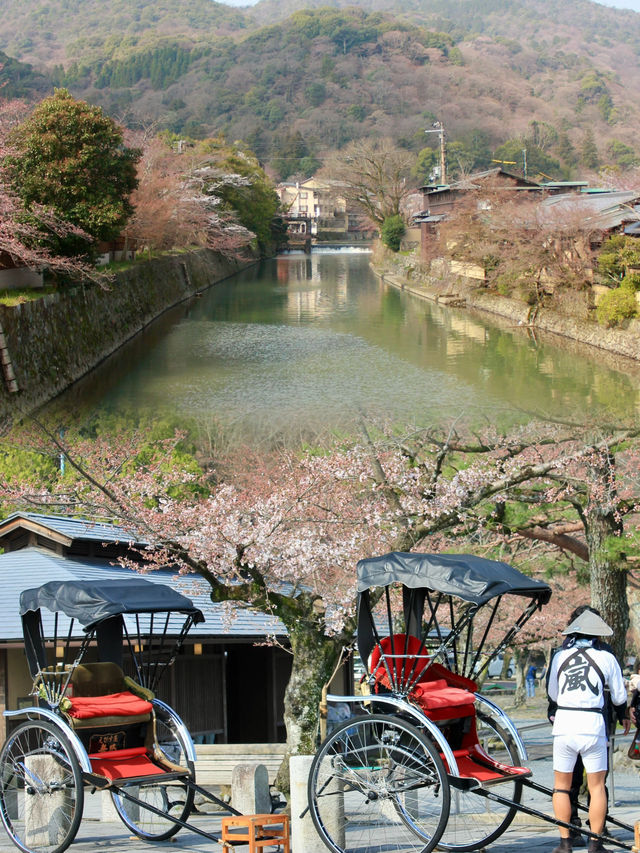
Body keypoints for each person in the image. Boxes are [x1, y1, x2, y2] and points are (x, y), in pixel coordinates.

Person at [547, 609, 630, 853]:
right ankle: (596, 843)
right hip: (593, 725)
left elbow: (553, 693)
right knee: (596, 787)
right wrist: (622, 711)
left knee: (561, 786)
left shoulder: (560, 657)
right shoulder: (606, 658)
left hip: (564, 725)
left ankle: (565, 843)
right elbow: (619, 696)